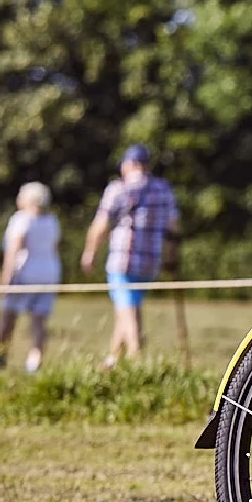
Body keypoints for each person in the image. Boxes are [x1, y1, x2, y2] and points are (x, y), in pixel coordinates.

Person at [80, 146, 180, 367]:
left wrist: (90, 253)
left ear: (129, 164)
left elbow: (100, 225)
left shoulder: (119, 188)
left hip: (122, 261)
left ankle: (137, 361)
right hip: (150, 262)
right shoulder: (163, 189)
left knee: (128, 312)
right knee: (126, 309)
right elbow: (173, 227)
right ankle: (112, 361)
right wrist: (171, 257)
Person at [0, 182, 61, 373]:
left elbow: (13, 250)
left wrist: (5, 277)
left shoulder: (21, 219)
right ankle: (34, 363)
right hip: (49, 274)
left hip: (24, 274)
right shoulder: (52, 221)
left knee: (8, 315)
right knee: (39, 320)